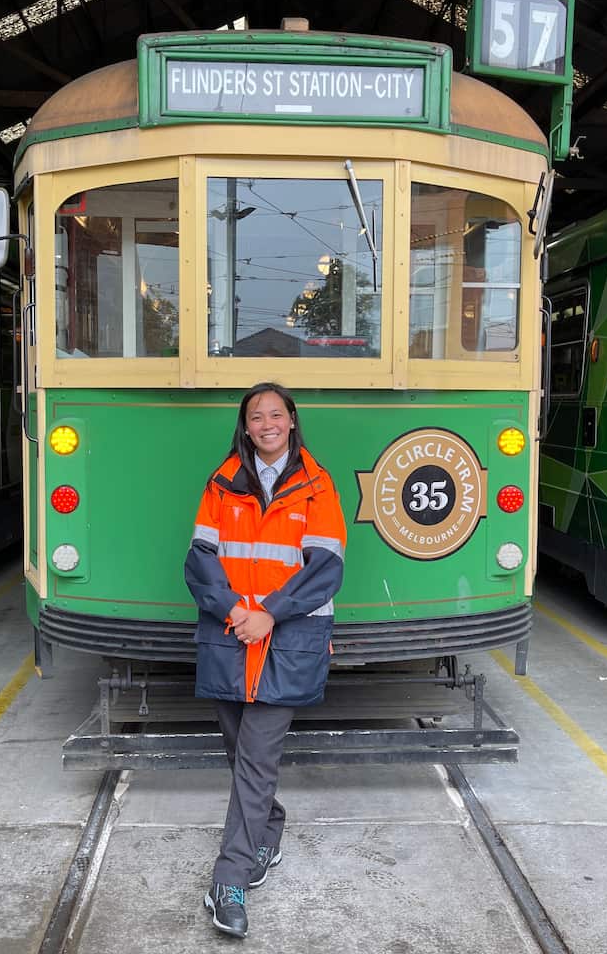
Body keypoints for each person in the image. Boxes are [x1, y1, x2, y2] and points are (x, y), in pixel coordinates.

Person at [184, 381, 347, 939]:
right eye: (257, 417)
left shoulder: (317, 486)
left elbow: (324, 567)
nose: (267, 424)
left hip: (286, 642)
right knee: (240, 755)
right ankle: (269, 827)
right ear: (246, 426)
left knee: (255, 758)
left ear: (293, 421)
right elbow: (200, 559)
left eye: (276, 414)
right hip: (232, 638)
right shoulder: (222, 483)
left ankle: (227, 881)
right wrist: (234, 609)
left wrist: (270, 614)